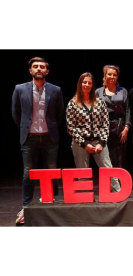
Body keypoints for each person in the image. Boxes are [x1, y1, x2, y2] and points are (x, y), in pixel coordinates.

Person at [12, 57, 64, 225]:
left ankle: (50, 202)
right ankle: (26, 207)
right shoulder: (19, 89)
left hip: (50, 137)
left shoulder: (56, 90)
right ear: (30, 70)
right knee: (28, 173)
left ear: (47, 71)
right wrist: (25, 128)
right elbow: (16, 113)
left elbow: (59, 113)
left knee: (51, 172)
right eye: (36, 66)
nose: (39, 69)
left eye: (42, 67)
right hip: (29, 137)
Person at [66, 72, 121, 192]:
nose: (86, 85)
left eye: (89, 83)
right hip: (80, 142)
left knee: (108, 169)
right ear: (80, 84)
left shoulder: (100, 102)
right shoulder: (72, 103)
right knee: (82, 172)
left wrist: (101, 142)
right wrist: (84, 144)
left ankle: (118, 193)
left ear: (92, 85)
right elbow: (71, 127)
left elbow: (105, 124)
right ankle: (85, 196)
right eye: (84, 82)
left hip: (98, 141)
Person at [96, 65, 130, 168]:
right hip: (104, 126)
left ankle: (120, 181)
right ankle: (109, 181)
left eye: (114, 75)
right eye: (109, 74)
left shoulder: (123, 91)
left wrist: (126, 128)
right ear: (105, 75)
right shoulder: (98, 92)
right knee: (107, 155)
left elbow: (128, 110)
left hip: (120, 125)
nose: (112, 76)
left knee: (120, 155)